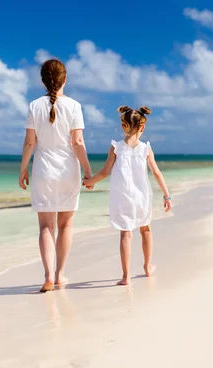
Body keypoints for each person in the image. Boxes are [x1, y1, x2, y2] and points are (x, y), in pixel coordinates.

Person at [19, 59, 92, 292]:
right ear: (65, 80)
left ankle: (48, 275)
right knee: (66, 225)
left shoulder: (34, 106)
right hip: (67, 170)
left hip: (43, 171)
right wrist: (88, 171)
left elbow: (30, 142)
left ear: (42, 81)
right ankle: (60, 274)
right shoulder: (74, 106)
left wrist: (22, 169)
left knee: (45, 227)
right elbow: (78, 142)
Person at [83, 106, 172, 286]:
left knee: (125, 234)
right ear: (142, 128)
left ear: (123, 125)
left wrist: (89, 181)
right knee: (145, 229)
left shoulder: (116, 148)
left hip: (122, 196)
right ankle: (147, 266)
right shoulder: (146, 149)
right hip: (142, 196)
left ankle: (126, 276)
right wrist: (166, 195)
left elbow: (105, 172)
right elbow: (156, 172)